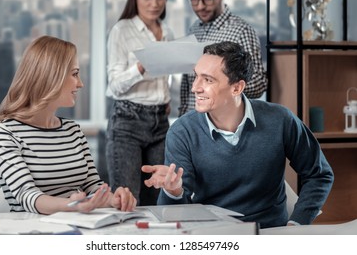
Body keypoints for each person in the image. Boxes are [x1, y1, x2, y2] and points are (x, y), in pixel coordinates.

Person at [142, 41, 334, 229]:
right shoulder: (182, 131)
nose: (195, 87)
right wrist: (173, 191)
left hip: (269, 234)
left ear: (237, 88)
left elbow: (319, 174)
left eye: (208, 80)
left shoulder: (280, 120)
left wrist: (297, 223)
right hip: (216, 238)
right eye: (196, 76)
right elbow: (175, 216)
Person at [0, 35, 137, 215]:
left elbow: (92, 186)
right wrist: (70, 205)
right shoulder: (5, 134)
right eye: (75, 74)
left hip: (76, 228)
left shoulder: (72, 130)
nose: (80, 83)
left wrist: (113, 199)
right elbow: (26, 196)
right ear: (51, 76)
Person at [105, 0, 174, 206]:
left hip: (160, 122)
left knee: (161, 197)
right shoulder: (121, 30)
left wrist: (164, 97)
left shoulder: (168, 33)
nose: (154, 3)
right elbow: (115, 85)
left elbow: (168, 75)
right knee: (127, 199)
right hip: (127, 121)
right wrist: (140, 67)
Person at [179, 0, 267, 116]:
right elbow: (187, 84)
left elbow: (259, 84)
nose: (200, 6)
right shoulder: (194, 29)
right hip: (191, 125)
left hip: (221, 124)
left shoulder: (240, 31)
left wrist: (225, 80)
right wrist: (182, 118)